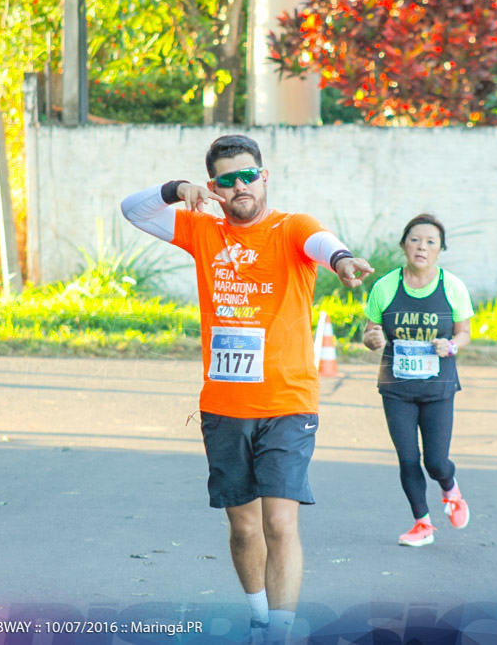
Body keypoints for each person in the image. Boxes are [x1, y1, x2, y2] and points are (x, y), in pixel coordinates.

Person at [121, 134, 372, 644]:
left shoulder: (289, 227)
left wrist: (343, 260)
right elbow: (132, 210)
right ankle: (259, 616)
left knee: (280, 524)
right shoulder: (202, 230)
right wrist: (177, 189)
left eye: (248, 176)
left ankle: (278, 632)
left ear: (264, 177)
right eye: (228, 179)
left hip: (288, 402)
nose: (241, 186)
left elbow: (321, 243)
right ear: (215, 186)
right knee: (244, 529)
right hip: (225, 404)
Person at [362, 213, 474, 547]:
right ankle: (422, 523)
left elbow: (464, 331)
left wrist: (451, 345)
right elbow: (369, 332)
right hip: (396, 388)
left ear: (440, 249)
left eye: (430, 242)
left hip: (438, 389)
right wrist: (373, 340)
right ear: (403, 245)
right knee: (408, 458)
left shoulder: (451, 286)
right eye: (414, 240)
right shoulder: (385, 287)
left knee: (435, 461)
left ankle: (450, 488)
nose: (421, 247)